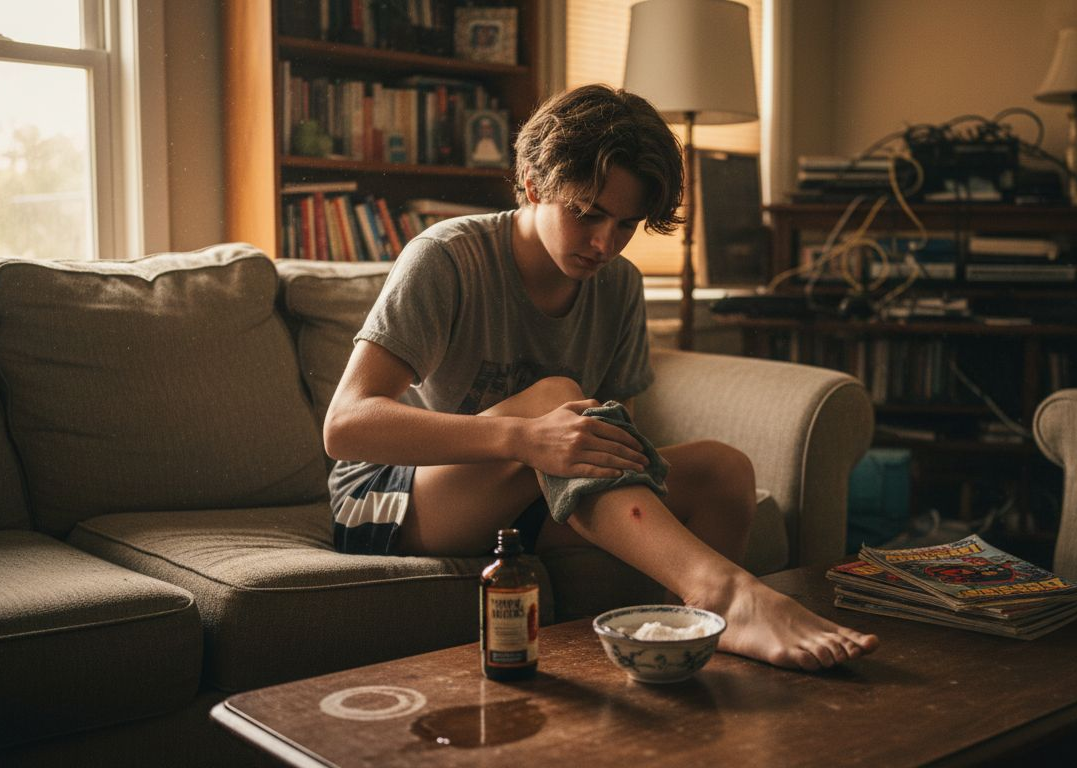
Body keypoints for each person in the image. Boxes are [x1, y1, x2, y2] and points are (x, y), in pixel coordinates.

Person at [323, 84, 878, 671]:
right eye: (585, 214)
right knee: (559, 399)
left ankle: (680, 645)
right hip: (393, 499)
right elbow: (346, 426)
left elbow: (618, 432)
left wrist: (571, 456)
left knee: (724, 470)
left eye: (625, 224)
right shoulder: (448, 257)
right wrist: (526, 437)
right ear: (535, 186)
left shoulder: (619, 284)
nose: (603, 243)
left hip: (526, 497)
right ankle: (724, 594)